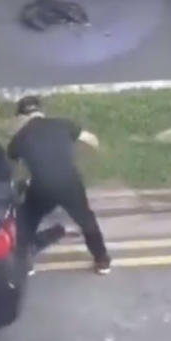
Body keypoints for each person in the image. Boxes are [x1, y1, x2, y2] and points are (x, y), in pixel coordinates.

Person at [8, 96, 111, 275]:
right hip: (69, 182)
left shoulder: (19, 138)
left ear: (22, 117)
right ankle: (102, 260)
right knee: (86, 219)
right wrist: (98, 153)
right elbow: (90, 138)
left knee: (26, 221)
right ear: (40, 111)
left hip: (42, 185)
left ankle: (23, 263)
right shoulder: (62, 124)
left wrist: (22, 183)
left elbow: (12, 162)